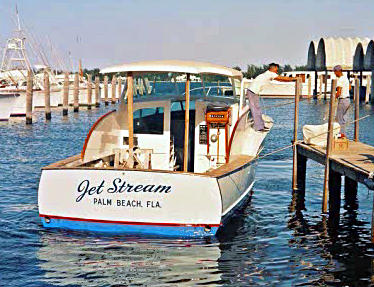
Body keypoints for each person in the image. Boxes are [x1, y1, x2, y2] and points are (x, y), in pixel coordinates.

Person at [247, 63, 298, 131]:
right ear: (272, 68)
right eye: (276, 69)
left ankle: (260, 126)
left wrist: (291, 79)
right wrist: (294, 79)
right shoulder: (270, 73)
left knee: (257, 109)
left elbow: (280, 79)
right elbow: (281, 78)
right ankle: (258, 127)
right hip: (252, 91)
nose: (277, 71)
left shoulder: (268, 73)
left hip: (254, 91)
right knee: (255, 109)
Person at [333, 65, 350, 137]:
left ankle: (341, 134)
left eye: (334, 72)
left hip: (343, 100)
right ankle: (342, 133)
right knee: (343, 118)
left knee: (339, 118)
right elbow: (349, 88)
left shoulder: (340, 79)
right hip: (348, 100)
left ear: (338, 71)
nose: (334, 74)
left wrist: (334, 98)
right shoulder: (345, 78)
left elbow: (339, 92)